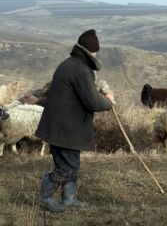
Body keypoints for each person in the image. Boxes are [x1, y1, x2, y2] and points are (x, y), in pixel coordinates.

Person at [35, 29, 115, 212]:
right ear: (92, 51)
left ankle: (69, 199)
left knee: (70, 163)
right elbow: (93, 102)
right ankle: (45, 197)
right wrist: (109, 101)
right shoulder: (81, 70)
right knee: (67, 167)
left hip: (59, 126)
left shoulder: (69, 64)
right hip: (66, 128)